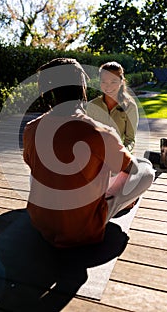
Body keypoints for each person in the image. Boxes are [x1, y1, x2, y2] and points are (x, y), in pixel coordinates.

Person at [23, 58, 154, 248]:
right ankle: (111, 205)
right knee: (146, 169)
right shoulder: (99, 132)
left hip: (40, 220)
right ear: (82, 87)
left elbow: (31, 165)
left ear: (50, 90)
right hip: (81, 229)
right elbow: (132, 170)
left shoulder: (31, 129)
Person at [86, 61, 138, 152]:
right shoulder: (92, 106)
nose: (108, 86)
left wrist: (123, 152)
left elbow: (130, 140)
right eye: (104, 81)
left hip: (119, 154)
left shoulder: (130, 106)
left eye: (113, 81)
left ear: (122, 82)